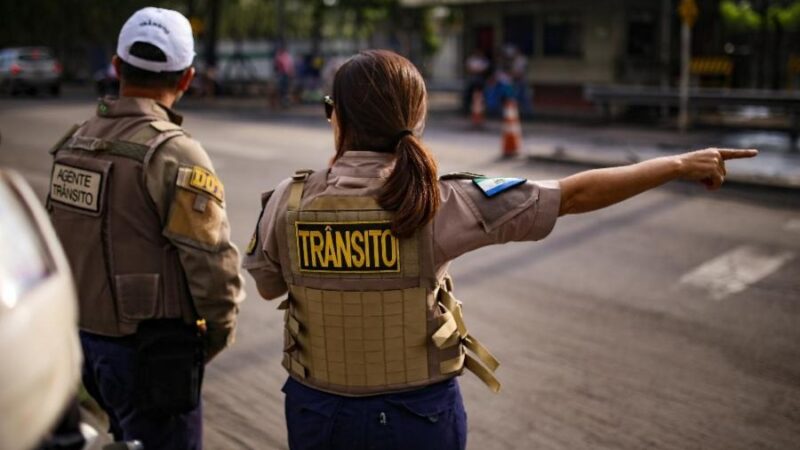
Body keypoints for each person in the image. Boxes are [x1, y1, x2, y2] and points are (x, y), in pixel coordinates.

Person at [244, 50, 757, 450]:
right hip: (416, 418)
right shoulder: (442, 202)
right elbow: (573, 194)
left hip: (317, 414)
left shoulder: (286, 204)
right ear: (415, 122)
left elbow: (268, 289)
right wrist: (680, 164)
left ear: (336, 117)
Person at [46, 7, 244, 449]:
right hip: (152, 356)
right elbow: (212, 267)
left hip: (81, 348)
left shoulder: (73, 143)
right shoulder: (176, 154)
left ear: (117, 67)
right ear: (187, 78)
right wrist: (212, 338)